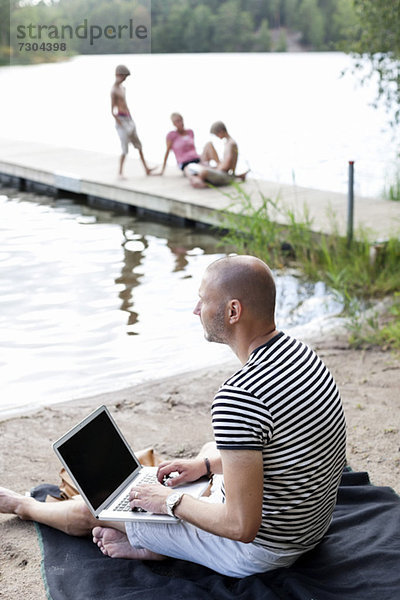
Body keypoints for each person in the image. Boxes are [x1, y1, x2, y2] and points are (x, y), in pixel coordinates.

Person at [0, 255, 346, 579]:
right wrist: (205, 468)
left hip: (262, 550)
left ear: (232, 311)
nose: (196, 309)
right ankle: (162, 540)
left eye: (203, 299)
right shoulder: (302, 355)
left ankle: (22, 505)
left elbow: (241, 527)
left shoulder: (240, 397)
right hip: (308, 527)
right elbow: (281, 450)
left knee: (96, 509)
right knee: (212, 449)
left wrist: (168, 502)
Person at [111, 64, 155, 178]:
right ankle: (120, 172)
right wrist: (120, 123)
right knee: (124, 148)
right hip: (121, 120)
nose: (124, 79)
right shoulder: (114, 90)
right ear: (118, 75)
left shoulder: (123, 88)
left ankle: (146, 169)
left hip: (129, 118)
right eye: (123, 76)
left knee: (139, 145)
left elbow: (125, 105)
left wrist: (130, 118)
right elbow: (112, 110)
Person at [185, 121, 248, 188]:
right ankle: (198, 179)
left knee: (203, 172)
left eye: (216, 134)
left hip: (227, 175)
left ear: (221, 131)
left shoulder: (231, 144)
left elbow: (226, 166)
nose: (217, 137)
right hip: (223, 171)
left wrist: (215, 168)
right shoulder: (227, 142)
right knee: (188, 168)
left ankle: (199, 181)